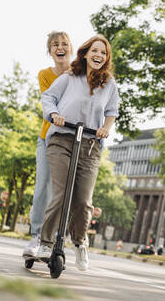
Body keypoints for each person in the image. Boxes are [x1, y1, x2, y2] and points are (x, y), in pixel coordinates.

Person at [37, 34, 119, 271]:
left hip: (90, 145)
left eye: (103, 53)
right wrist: (54, 115)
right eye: (95, 50)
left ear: (106, 58)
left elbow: (111, 111)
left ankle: (81, 241)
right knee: (61, 194)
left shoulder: (109, 84)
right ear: (85, 53)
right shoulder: (70, 77)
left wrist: (106, 128)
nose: (98, 55)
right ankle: (45, 242)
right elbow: (48, 97)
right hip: (62, 139)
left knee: (83, 201)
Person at [23, 31, 73, 258]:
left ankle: (50, 237)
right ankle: (36, 235)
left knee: (59, 191)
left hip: (70, 138)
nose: (59, 47)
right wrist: (55, 114)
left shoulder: (79, 74)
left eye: (63, 44)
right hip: (48, 137)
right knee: (42, 185)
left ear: (70, 48)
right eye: (55, 45)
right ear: (50, 50)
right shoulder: (45, 74)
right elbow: (50, 101)